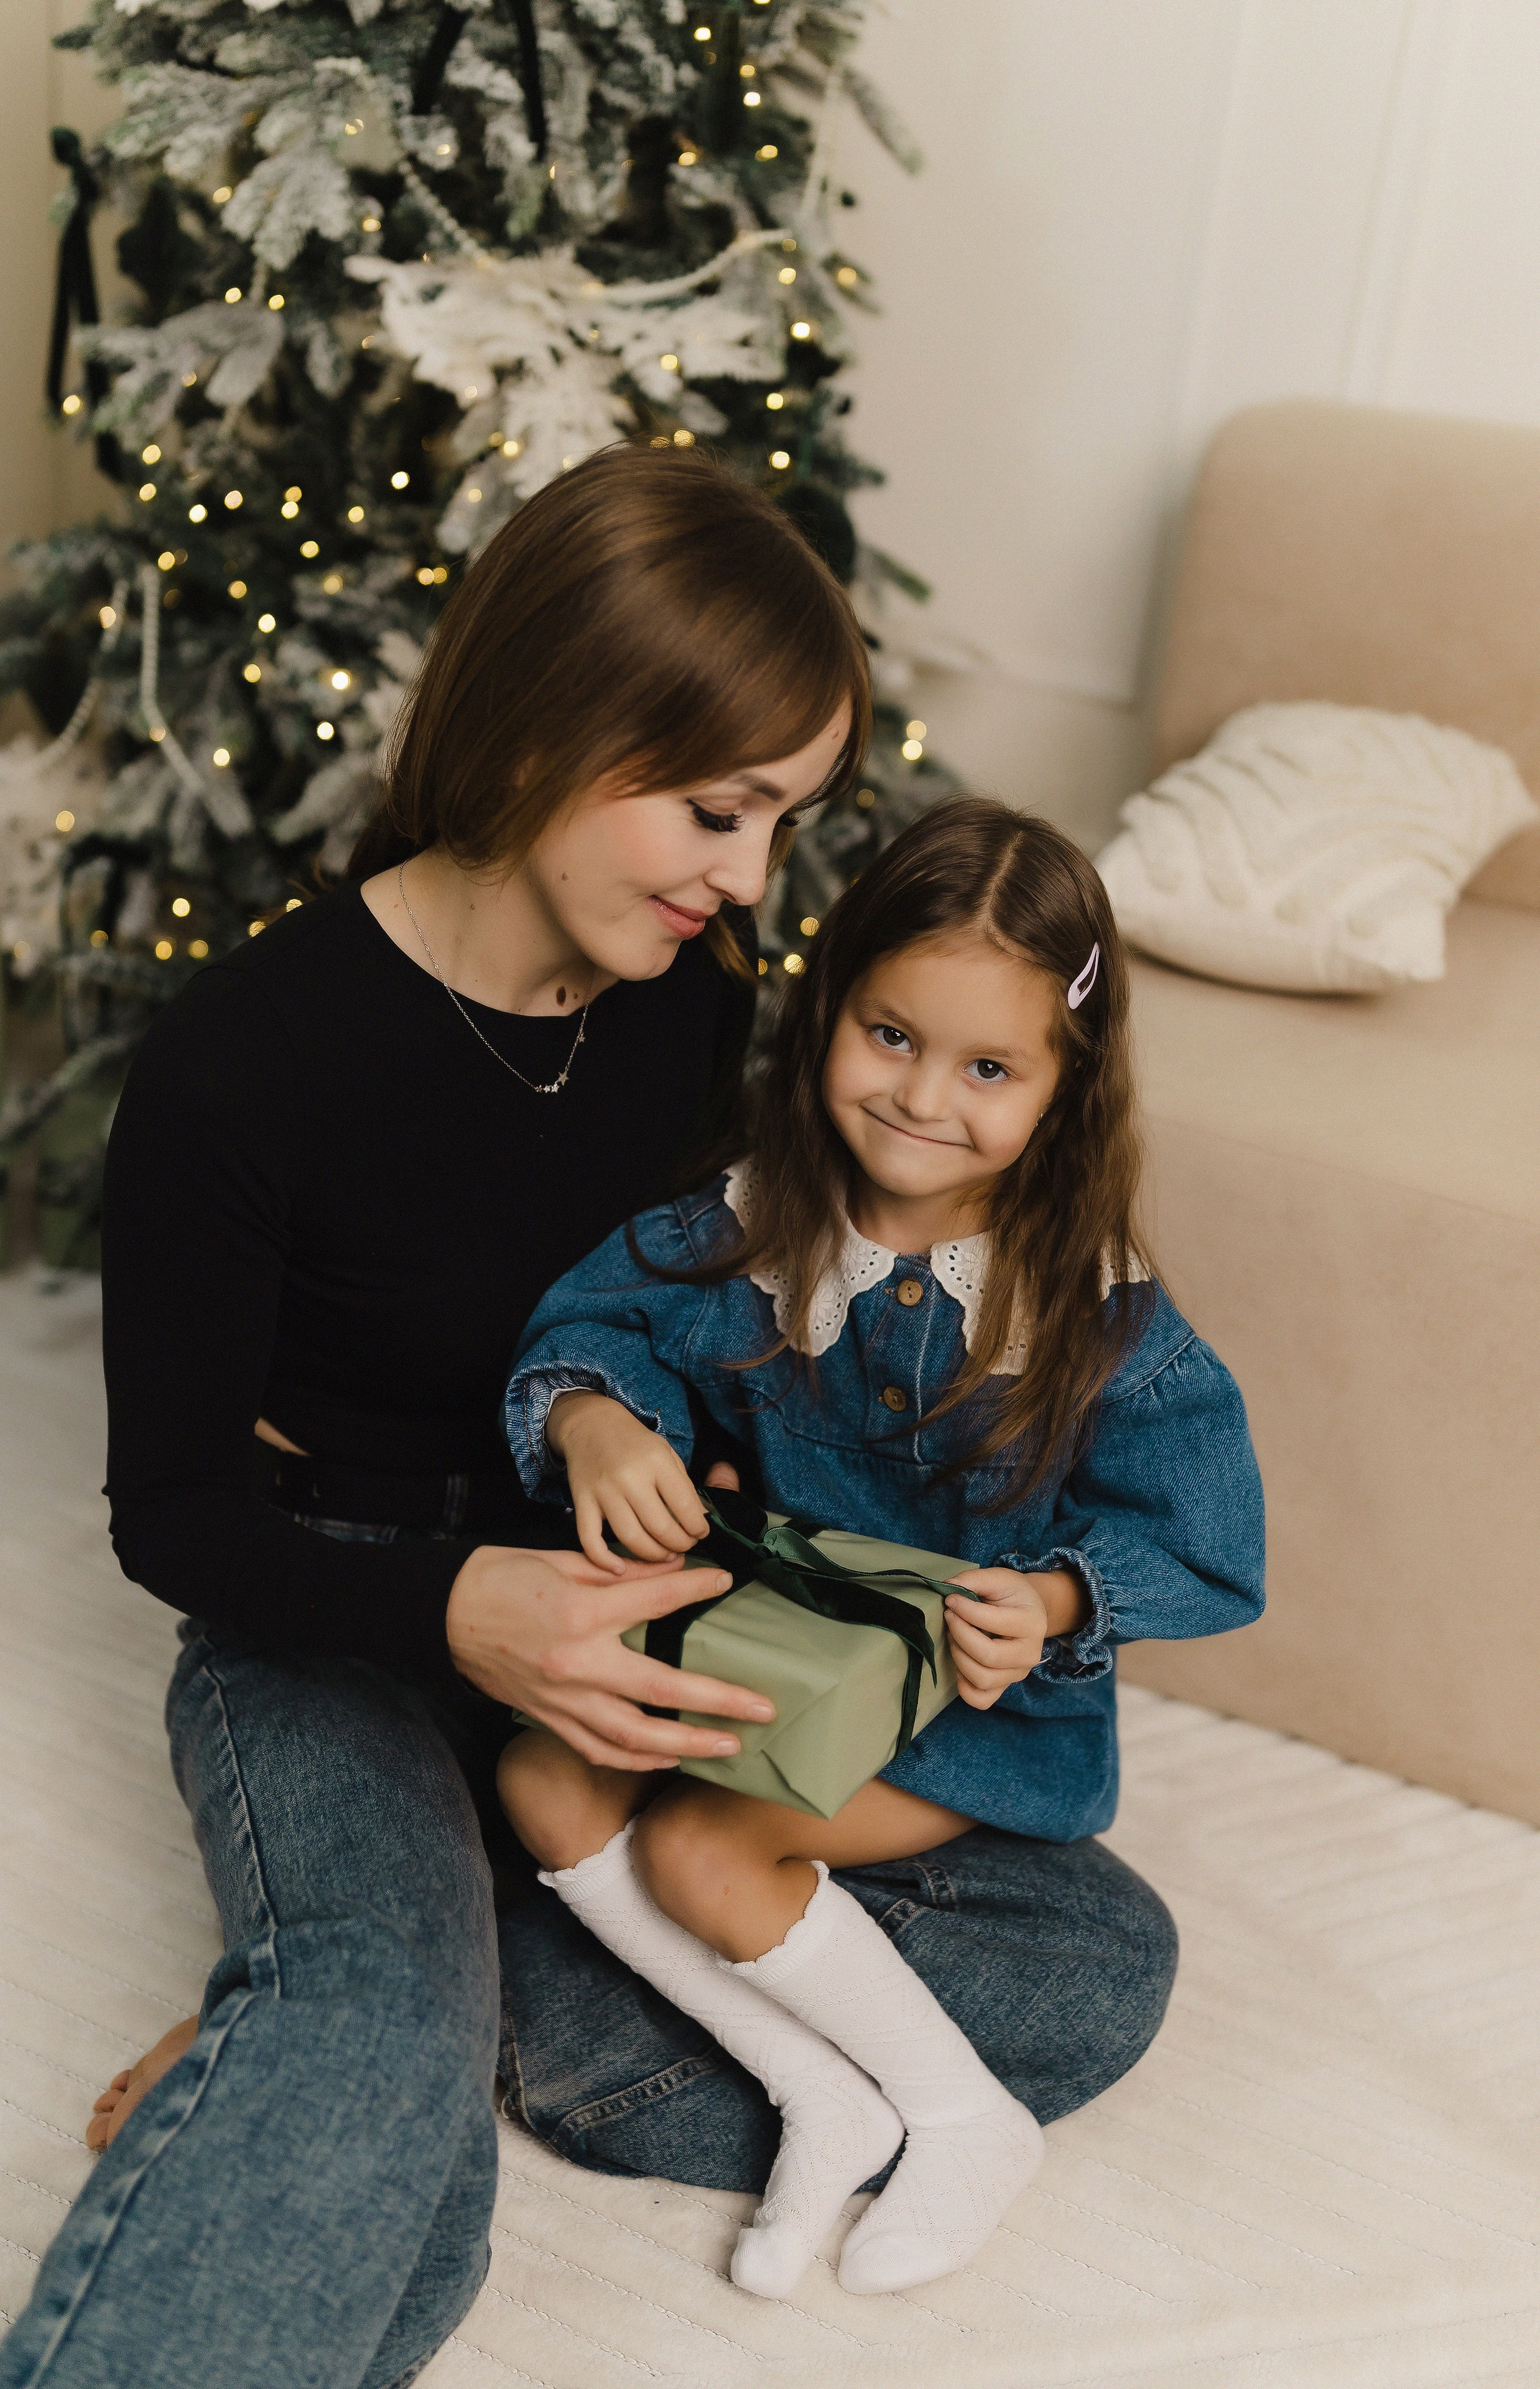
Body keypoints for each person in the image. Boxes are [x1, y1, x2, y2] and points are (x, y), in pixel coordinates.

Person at [0, 455, 1176, 2389]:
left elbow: (750, 1307)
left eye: (781, 822)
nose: (752, 881)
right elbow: (176, 1514)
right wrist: (462, 1608)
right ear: (551, 724)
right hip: (345, 1620)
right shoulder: (241, 1063)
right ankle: (392, 2020)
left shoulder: (690, 1012)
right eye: (717, 811)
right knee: (373, 2021)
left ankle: (459, 2015)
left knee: (1104, 1958)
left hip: (642, 1617)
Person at [496, 799, 1264, 2301]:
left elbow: (1208, 1543)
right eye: (889, 1037)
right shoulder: (751, 1233)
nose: (921, 1098)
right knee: (534, 1770)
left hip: (972, 1727)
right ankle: (814, 2087)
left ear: (1063, 1086)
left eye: (988, 1068)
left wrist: (1052, 1601)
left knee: (703, 1846)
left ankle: (960, 2117)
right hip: (776, 1655)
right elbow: (595, 1325)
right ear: (827, 1012)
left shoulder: (1095, 1320)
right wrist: (594, 1421)